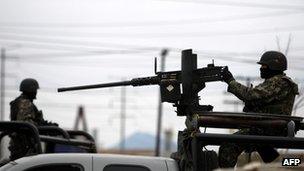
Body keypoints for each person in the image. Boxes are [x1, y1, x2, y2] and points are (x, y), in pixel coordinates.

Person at [219, 51, 299, 168]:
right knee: (274, 162)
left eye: (264, 66)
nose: (261, 68)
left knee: (228, 145)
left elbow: (251, 95)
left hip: (268, 129)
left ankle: (294, 164)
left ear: (273, 67)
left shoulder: (279, 82)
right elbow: (258, 100)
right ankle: (290, 165)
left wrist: (231, 81)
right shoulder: (275, 83)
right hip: (266, 127)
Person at [9, 78, 58, 160]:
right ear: (31, 90)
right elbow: (26, 123)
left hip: (23, 145)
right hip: (24, 146)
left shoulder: (21, 101)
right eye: (35, 90)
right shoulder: (24, 103)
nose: (36, 92)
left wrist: (47, 125)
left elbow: (33, 121)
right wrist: (45, 127)